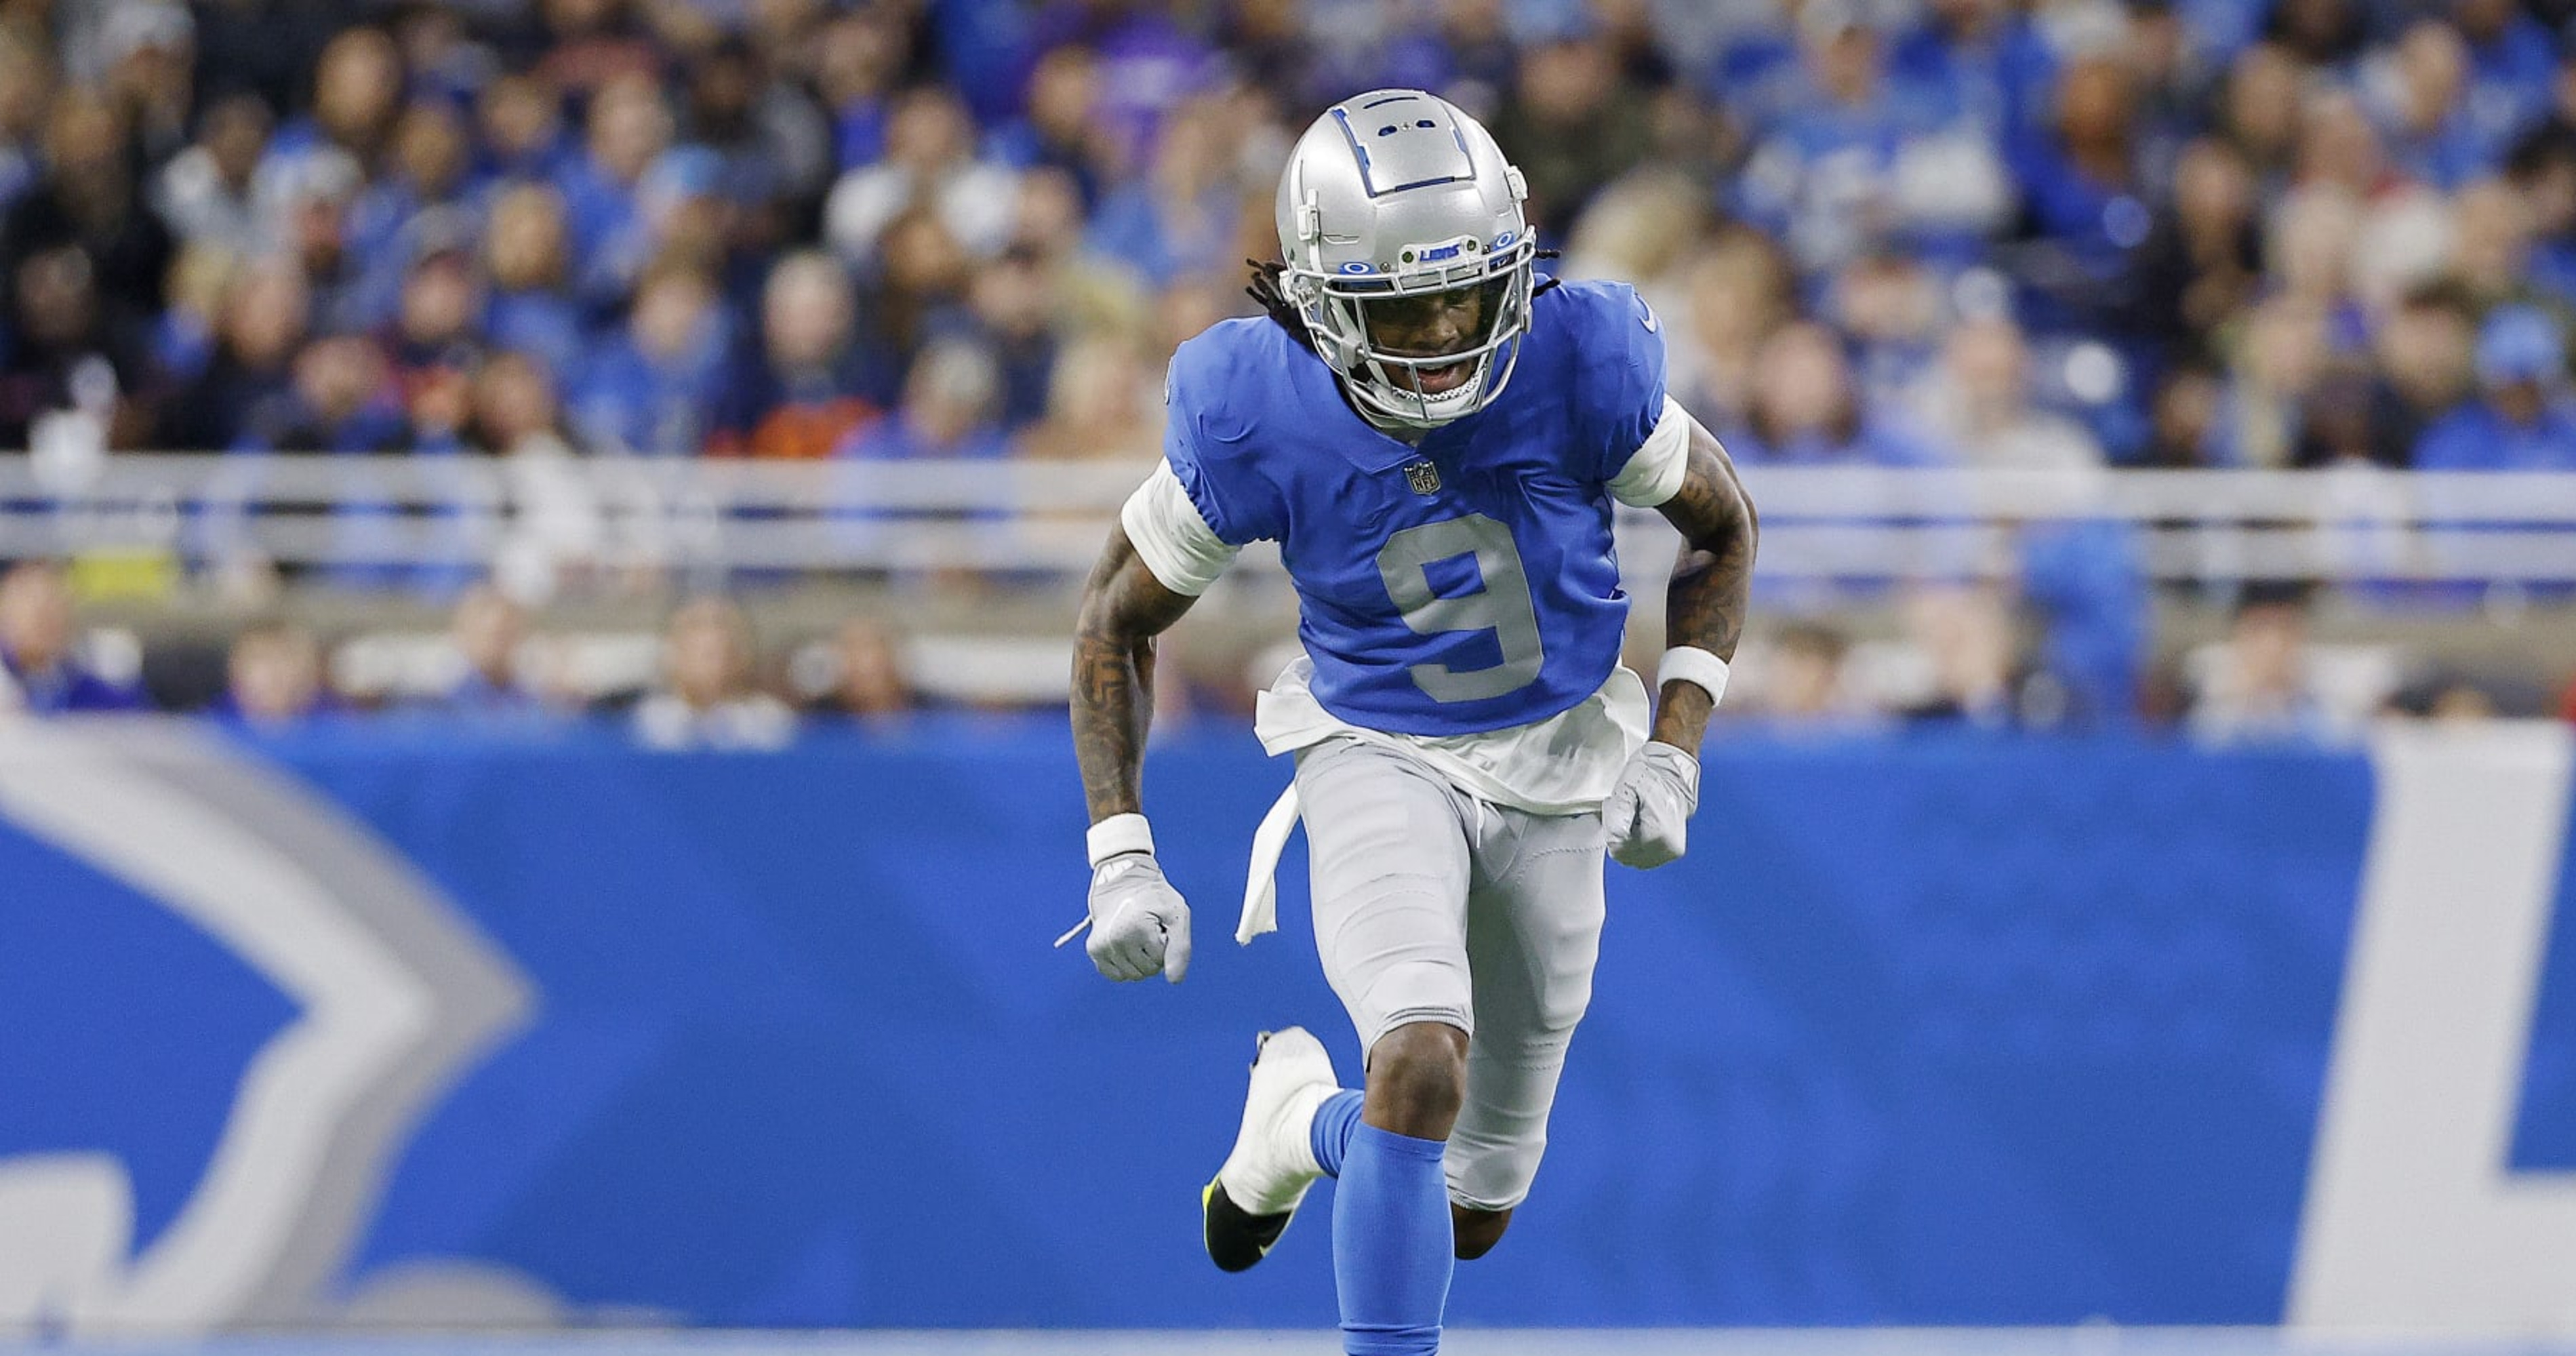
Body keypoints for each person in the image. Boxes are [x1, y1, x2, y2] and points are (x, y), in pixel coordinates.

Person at [1064, 92, 1756, 1356]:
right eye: (1402, 309)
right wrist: (1121, 850)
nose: (1443, 336)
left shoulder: (1582, 358)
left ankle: (1294, 1127)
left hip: (1561, 761)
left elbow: (1723, 525)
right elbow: (1116, 619)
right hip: (1373, 744)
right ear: (1320, 306)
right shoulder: (1251, 405)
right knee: (1419, 1061)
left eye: (1466, 295)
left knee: (1469, 1205)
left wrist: (1675, 744)